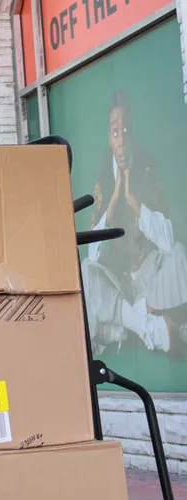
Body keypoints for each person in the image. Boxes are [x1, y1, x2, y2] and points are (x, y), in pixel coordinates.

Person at [82, 90, 187, 357]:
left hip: (146, 280)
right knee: (85, 272)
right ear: (109, 138)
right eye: (115, 132)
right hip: (118, 284)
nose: (121, 139)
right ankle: (146, 327)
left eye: (126, 130)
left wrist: (134, 201)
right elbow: (93, 252)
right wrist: (116, 198)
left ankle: (121, 327)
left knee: (178, 255)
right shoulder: (104, 173)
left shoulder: (146, 164)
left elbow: (167, 240)